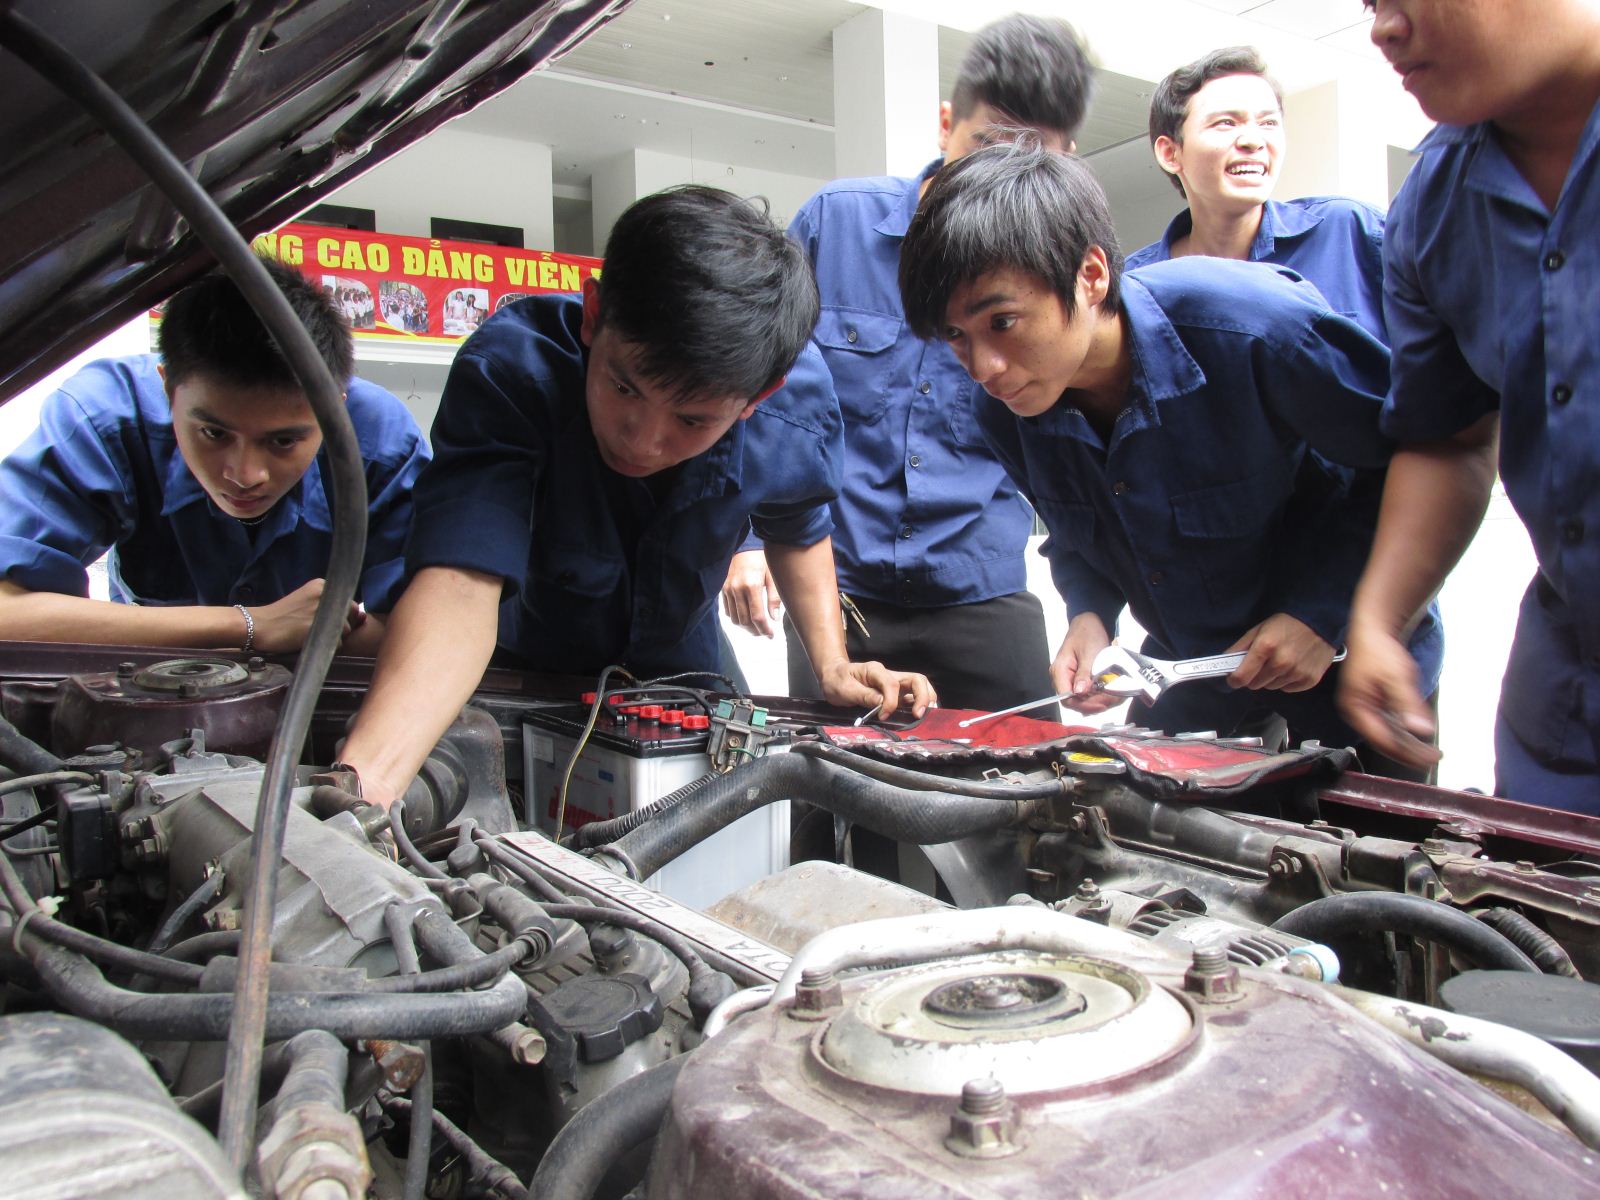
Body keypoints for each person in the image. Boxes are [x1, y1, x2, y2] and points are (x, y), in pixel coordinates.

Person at [336, 186, 935, 808]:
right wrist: (365, 789)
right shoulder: (513, 371)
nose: (643, 441)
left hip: (684, 665)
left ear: (759, 397)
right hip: (526, 659)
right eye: (624, 386)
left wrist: (832, 665)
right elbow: (460, 585)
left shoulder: (793, 406)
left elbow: (798, 526)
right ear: (594, 314)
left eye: (693, 420)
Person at [898, 141, 1440, 767]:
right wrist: (1090, 614)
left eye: (1002, 323)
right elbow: (1078, 530)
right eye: (956, 338)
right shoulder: (1007, 406)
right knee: (1150, 823)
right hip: (1194, 664)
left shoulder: (1255, 329)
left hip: (1350, 659)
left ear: (1091, 275)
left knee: (1368, 850)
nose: (984, 368)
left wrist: (1323, 614)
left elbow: (1414, 463)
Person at [721, 13, 1092, 719]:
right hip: (844, 592)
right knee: (835, 800)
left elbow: (1071, 454)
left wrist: (1092, 604)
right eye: (984, 143)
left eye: (1030, 153)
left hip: (981, 589)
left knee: (1030, 797)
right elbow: (760, 389)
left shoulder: (1053, 275)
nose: (996, 172)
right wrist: (743, 540)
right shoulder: (837, 224)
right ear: (946, 123)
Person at [1339, 0, 1600, 812]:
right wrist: (1380, 620)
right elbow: (1449, 435)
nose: (1383, 27)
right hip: (1569, 690)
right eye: (1370, 4)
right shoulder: (1430, 209)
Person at [0, 258, 429, 656]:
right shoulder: (104, 418)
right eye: (213, 433)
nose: (245, 475)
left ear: (335, 409)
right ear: (168, 389)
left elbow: (422, 631)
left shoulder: (381, 445)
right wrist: (249, 626)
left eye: (282, 442)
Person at [1126, 46, 1386, 342]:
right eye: (1226, 123)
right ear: (1170, 152)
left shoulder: (1351, 232)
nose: (1253, 140)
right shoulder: (1135, 288)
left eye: (1268, 123)